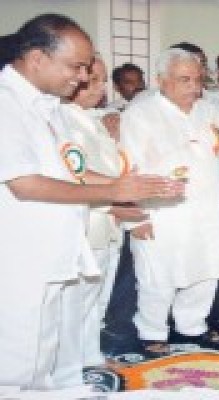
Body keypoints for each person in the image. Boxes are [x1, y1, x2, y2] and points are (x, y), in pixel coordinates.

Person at [0, 13, 183, 389]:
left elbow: (73, 170)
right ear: (37, 59)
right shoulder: (7, 104)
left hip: (55, 249)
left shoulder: (48, 106)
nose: (83, 77)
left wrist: (129, 185)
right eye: (76, 66)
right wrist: (113, 192)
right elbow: (24, 184)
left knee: (47, 347)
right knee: (18, 356)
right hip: (21, 254)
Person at [120, 48, 219, 357]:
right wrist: (134, 216)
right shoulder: (140, 114)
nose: (194, 87)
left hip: (205, 210)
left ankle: (192, 325)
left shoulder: (209, 111)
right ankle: (152, 331)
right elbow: (126, 168)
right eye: (184, 80)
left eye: (198, 79)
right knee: (157, 276)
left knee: (205, 270)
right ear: (161, 80)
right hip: (160, 212)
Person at [59, 55, 147, 372]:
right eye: (92, 81)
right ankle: (69, 366)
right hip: (86, 220)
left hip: (107, 221)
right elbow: (73, 176)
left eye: (102, 80)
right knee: (78, 300)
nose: (99, 87)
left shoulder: (96, 118)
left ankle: (90, 356)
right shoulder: (62, 120)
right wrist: (116, 200)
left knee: (99, 295)